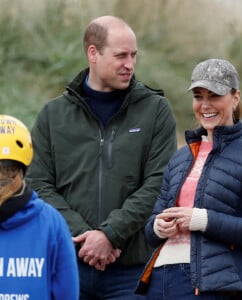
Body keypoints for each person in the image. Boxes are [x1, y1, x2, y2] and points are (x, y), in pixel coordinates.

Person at [26, 15, 177, 299]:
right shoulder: (52, 115)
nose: (130, 64)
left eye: (133, 55)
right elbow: (39, 183)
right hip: (67, 263)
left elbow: (159, 183)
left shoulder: (156, 111)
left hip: (131, 271)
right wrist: (86, 238)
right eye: (121, 55)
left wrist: (110, 234)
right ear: (92, 53)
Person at [136, 58, 242, 299]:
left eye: (214, 95)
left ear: (235, 98)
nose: (205, 105)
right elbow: (151, 231)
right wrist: (158, 226)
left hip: (212, 286)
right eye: (198, 96)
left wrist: (202, 219)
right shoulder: (181, 157)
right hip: (159, 280)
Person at [0, 114, 79, 299]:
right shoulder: (51, 221)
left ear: (21, 173)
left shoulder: (51, 222)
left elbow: (67, 293)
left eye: (7, 173)